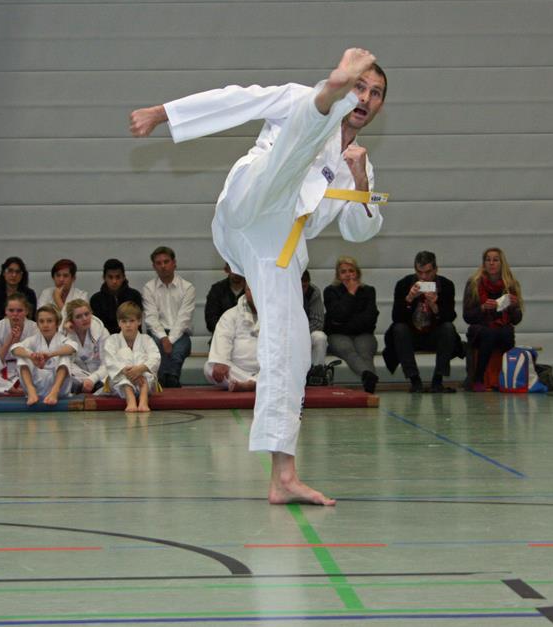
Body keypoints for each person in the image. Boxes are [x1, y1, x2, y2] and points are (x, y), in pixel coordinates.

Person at [130, 47, 386, 504]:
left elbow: (359, 231)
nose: (365, 98)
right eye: (359, 86)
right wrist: (164, 113)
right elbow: (237, 99)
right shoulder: (297, 98)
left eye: (375, 93)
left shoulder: (359, 162)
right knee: (293, 151)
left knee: (292, 347)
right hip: (249, 196)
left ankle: (283, 475)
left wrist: (361, 181)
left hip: (275, 243)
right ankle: (326, 95)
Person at [382, 251, 464, 393]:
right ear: (415, 270)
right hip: (411, 335)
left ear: (436, 270)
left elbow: (450, 316)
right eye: (420, 273)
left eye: (428, 272)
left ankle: (438, 380)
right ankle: (414, 380)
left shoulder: (446, 285)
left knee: (448, 328)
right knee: (399, 329)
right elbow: (396, 318)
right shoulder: (403, 284)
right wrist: (409, 299)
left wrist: (435, 306)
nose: (424, 277)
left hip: (434, 334)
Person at [463, 247, 523, 392]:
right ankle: (478, 378)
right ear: (483, 263)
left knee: (507, 332)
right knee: (489, 334)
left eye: (495, 260)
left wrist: (514, 307)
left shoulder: (510, 284)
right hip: (480, 328)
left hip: (501, 326)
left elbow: (516, 319)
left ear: (502, 263)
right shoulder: (474, 283)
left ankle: (507, 377)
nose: (491, 263)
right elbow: (467, 316)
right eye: (488, 260)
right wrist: (482, 308)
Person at [324, 255, 380, 393]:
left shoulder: (368, 291)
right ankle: (368, 376)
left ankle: (369, 388)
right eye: (343, 272)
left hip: (363, 334)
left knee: (365, 352)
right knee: (348, 351)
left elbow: (370, 319)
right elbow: (337, 315)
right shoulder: (330, 291)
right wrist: (350, 293)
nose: (348, 274)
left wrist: (343, 324)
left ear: (357, 273)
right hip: (338, 335)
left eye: (351, 271)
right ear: (338, 275)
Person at [141, 246, 195, 388]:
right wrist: (164, 338)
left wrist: (169, 340)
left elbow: (184, 319)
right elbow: (151, 318)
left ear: (174, 263)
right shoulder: (149, 288)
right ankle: (170, 379)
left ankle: (166, 378)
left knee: (179, 350)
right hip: (157, 333)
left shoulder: (187, 288)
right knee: (156, 346)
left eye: (166, 261)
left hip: (181, 333)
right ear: (154, 266)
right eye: (158, 263)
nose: (163, 266)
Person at [12, 304, 76, 407]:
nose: (45, 325)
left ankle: (54, 392)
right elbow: (15, 348)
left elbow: (72, 347)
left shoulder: (62, 339)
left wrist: (50, 355)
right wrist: (31, 355)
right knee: (22, 356)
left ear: (57, 323)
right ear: (37, 324)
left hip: (59, 389)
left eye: (49, 321)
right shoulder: (33, 340)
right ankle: (31, 391)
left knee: (64, 356)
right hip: (37, 386)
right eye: (41, 321)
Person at [103, 302, 160, 412]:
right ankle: (130, 398)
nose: (128, 325)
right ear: (119, 323)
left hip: (144, 381)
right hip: (120, 382)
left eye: (132, 321)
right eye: (124, 321)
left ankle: (143, 399)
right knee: (124, 354)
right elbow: (110, 361)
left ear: (139, 321)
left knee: (142, 361)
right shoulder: (112, 340)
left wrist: (140, 369)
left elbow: (155, 358)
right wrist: (127, 371)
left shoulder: (146, 339)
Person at [0, 292, 40, 395]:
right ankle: (10, 388)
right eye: (11, 310)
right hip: (1, 375)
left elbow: (38, 360)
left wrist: (17, 346)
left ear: (26, 311)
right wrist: (8, 342)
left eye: (19, 310)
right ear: (6, 311)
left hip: (26, 371)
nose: (15, 314)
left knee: (45, 374)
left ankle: (20, 387)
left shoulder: (34, 329)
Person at [205, 285, 259, 392]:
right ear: (245, 290)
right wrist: (222, 361)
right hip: (236, 370)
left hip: (264, 369)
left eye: (257, 289)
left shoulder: (275, 315)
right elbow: (223, 337)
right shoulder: (231, 314)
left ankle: (251, 383)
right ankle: (255, 383)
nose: (254, 294)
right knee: (209, 367)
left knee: (283, 368)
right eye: (250, 290)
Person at [64, 299, 109, 395]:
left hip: (100, 377)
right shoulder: (65, 334)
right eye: (78, 316)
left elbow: (107, 364)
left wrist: (92, 379)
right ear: (71, 320)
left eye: (87, 314)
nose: (84, 319)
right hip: (79, 378)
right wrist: (67, 335)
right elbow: (67, 363)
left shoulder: (102, 332)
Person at [90, 258, 144, 334]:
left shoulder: (134, 296)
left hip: (132, 337)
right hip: (105, 338)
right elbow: (97, 327)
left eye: (118, 277)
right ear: (104, 278)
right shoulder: (96, 299)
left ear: (124, 277)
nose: (114, 281)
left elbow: (138, 324)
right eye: (110, 277)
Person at [0, 257, 37, 332]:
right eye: (10, 271)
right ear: (3, 273)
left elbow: (31, 317)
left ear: (22, 275)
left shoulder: (29, 294)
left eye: (18, 272)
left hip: (24, 330)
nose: (14, 275)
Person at [302, 270, 329, 384]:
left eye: (304, 286)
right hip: (284, 335)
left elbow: (318, 322)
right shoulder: (281, 292)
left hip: (305, 332)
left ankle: (316, 374)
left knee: (320, 337)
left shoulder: (313, 292)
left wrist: (299, 333)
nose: (302, 290)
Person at [204, 264, 246, 333]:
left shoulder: (252, 290)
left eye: (239, 269)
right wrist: (226, 332)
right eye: (233, 268)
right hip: (221, 334)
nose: (236, 272)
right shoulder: (217, 289)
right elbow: (211, 321)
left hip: (246, 335)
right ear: (226, 269)